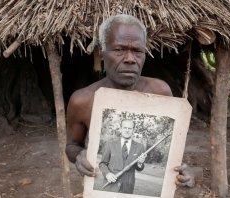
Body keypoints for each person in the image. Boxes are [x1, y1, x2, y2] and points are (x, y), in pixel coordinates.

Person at [65, 14, 195, 188]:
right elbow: (72, 145)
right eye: (119, 50)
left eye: (137, 51)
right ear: (101, 53)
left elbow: (172, 152)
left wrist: (182, 171)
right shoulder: (83, 100)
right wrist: (80, 155)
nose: (130, 59)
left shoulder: (160, 92)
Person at [99, 119, 147, 193]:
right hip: (110, 186)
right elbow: (102, 163)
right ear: (121, 129)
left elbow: (139, 168)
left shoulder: (139, 147)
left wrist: (140, 163)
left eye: (129, 128)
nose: (127, 130)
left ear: (133, 130)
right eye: (125, 128)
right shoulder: (110, 144)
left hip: (127, 188)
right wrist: (107, 174)